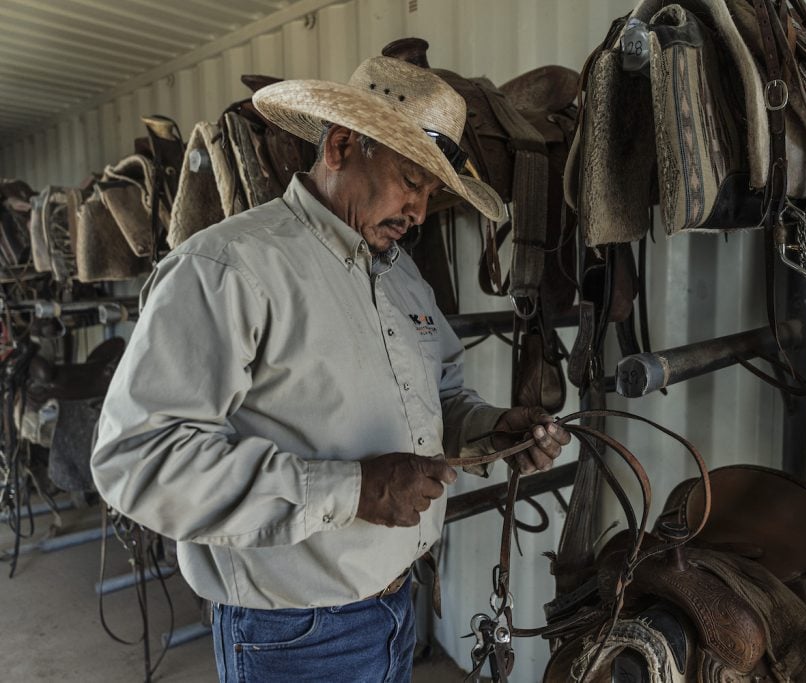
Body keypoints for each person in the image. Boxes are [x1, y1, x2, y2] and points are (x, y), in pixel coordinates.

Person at [91, 56, 570, 683]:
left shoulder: (399, 272)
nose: (421, 213)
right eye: (410, 181)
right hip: (295, 632)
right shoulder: (229, 268)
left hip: (396, 605)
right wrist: (354, 490)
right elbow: (138, 458)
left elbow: (440, 396)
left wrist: (489, 428)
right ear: (343, 145)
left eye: (431, 193)